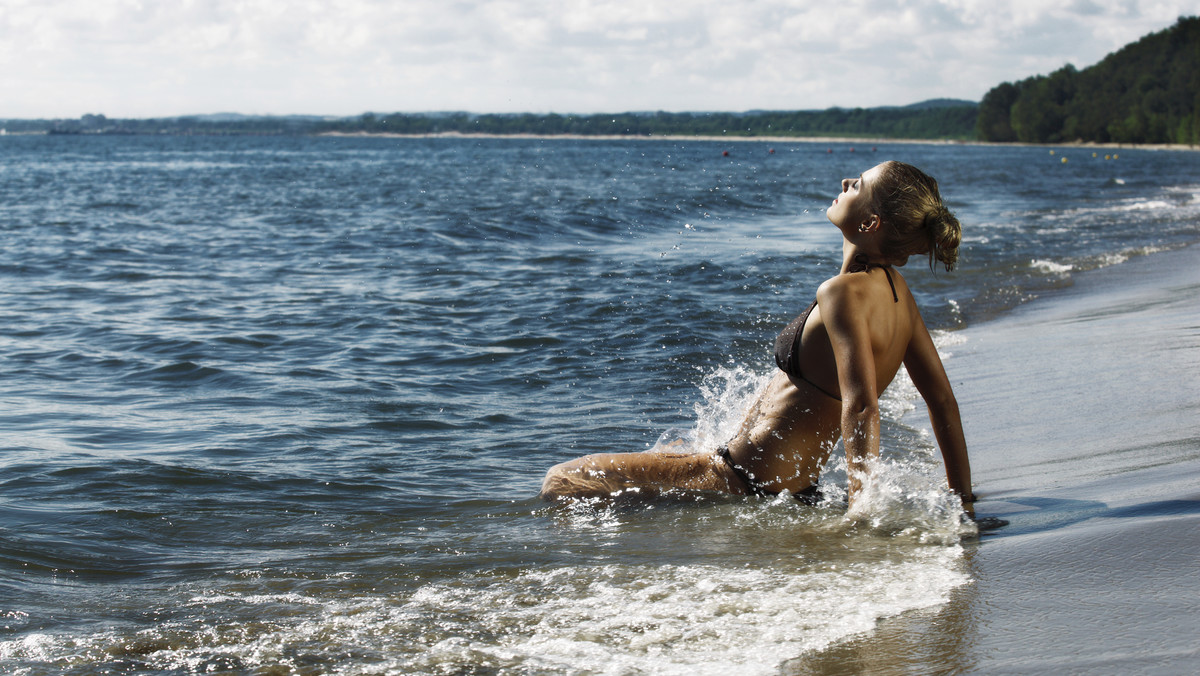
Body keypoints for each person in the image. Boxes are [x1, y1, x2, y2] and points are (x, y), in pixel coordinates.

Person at [540, 161, 974, 514]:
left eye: (858, 185)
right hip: (781, 485)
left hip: (737, 480)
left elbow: (862, 408)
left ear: (870, 222)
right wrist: (963, 501)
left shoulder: (842, 294)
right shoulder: (897, 296)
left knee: (561, 482)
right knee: (673, 448)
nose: (846, 181)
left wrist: (860, 514)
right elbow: (942, 403)